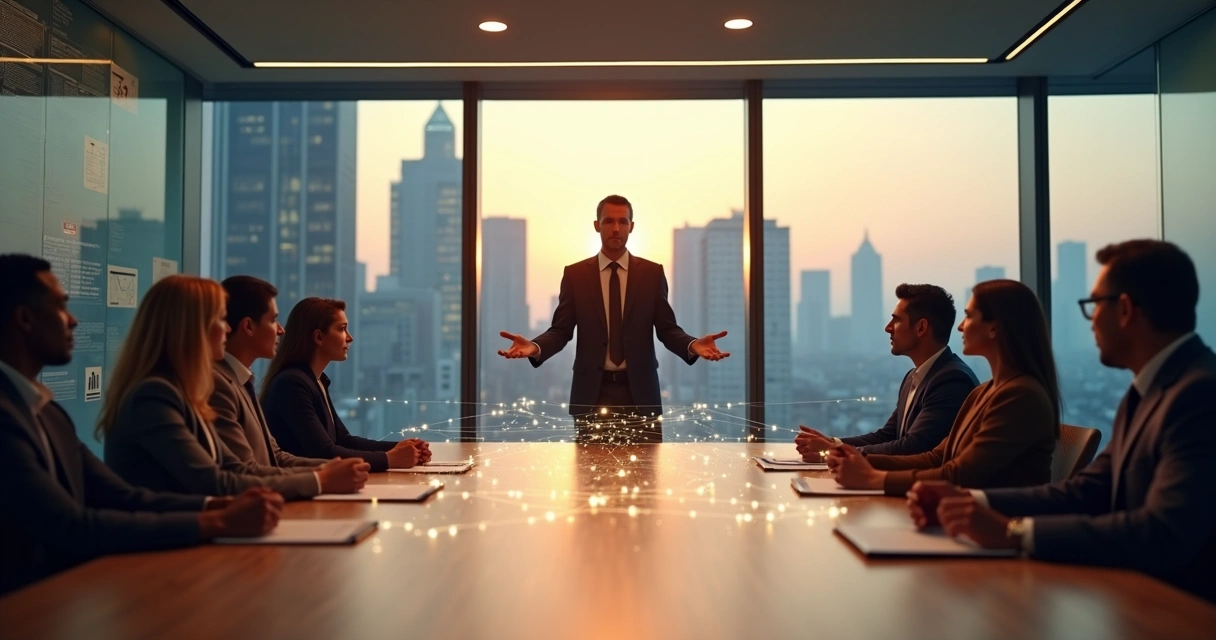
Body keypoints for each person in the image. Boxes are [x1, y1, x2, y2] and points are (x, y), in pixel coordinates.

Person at [907, 240, 1216, 603]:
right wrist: (971, 502)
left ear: (1125, 310)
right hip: (1134, 598)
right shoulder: (1151, 390)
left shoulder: (1198, 396)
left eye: (1095, 305)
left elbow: (1163, 532)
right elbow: (1086, 491)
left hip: (1179, 613)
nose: (1091, 320)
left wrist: (1015, 532)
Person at [0, 255, 281, 594]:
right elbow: (68, 525)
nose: (73, 320)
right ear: (25, 319)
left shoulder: (48, 413)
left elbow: (121, 496)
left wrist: (216, 507)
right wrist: (215, 520)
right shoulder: (152, 395)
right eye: (61, 307)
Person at [99, 276, 369, 499]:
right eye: (220, 319)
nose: (228, 329)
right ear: (190, 329)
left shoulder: (189, 389)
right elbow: (218, 480)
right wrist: (322, 479)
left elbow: (252, 464)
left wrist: (330, 472)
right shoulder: (157, 395)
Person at [497, 194, 730, 443]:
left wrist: (692, 344)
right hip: (592, 395)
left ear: (632, 226)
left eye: (623, 221)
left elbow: (667, 329)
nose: (616, 228)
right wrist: (535, 347)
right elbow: (561, 330)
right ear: (597, 225)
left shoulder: (652, 274)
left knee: (648, 468)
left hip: (641, 395)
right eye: (609, 221)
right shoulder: (575, 275)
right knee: (590, 468)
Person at [827, 279, 1058, 496]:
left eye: (969, 316)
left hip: (995, 519)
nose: (960, 327)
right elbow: (936, 458)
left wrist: (874, 478)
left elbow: (960, 474)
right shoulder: (984, 392)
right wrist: (857, 458)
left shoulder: (1019, 396)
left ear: (993, 328)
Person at [795, 284, 977, 459]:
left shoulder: (952, 380)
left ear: (921, 327)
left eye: (896, 320)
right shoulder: (913, 377)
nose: (888, 327)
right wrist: (833, 443)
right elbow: (888, 436)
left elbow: (913, 447)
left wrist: (835, 451)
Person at [261, 297, 430, 471]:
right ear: (319, 337)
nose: (349, 338)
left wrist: (402, 448)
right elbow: (324, 452)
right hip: (302, 485)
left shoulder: (315, 380)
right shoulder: (291, 384)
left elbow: (343, 440)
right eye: (342, 329)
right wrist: (389, 459)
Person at [211, 276, 329, 469]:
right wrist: (323, 476)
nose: (281, 330)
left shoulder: (242, 381)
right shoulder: (220, 386)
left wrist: (331, 469)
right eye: (273, 320)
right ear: (249, 326)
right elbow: (245, 472)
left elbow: (275, 457)